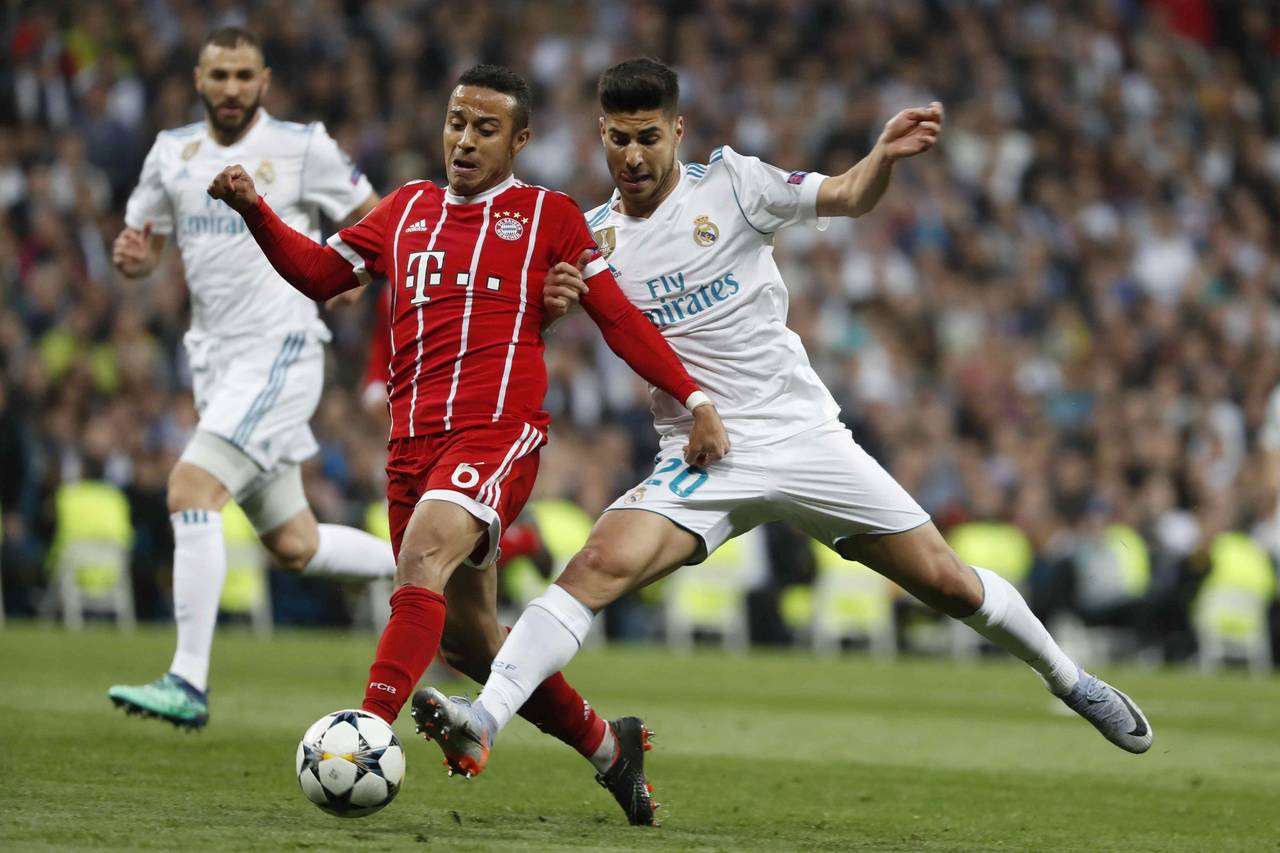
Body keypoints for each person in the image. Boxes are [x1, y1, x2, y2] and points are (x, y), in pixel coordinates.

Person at [416, 57, 1155, 782]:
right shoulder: (590, 237)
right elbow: (531, 327)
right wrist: (550, 308)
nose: (633, 156)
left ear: (678, 130)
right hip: (699, 455)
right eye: (618, 138)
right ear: (600, 135)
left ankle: (1069, 679)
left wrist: (881, 157)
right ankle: (485, 718)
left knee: (948, 583)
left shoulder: (736, 185)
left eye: (648, 137)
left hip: (802, 435)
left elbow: (849, 195)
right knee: (594, 568)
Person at [207, 64, 729, 825]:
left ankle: (366, 730)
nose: (465, 140)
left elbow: (619, 318)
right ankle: (610, 749)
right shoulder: (405, 209)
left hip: (497, 433)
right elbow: (322, 275)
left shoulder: (549, 216)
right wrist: (255, 211)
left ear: (519, 140)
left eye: (486, 129)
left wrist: (695, 398)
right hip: (410, 447)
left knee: (422, 557)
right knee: (473, 645)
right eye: (457, 123)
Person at [107, 27, 397, 730]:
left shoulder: (302, 146)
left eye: (244, 76)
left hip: (281, 350)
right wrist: (136, 260)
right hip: (216, 364)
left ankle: (188, 679)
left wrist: (350, 269)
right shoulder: (171, 153)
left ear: (264, 81)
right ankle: (428, 564)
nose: (232, 88)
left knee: (191, 487)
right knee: (295, 544)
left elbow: (382, 220)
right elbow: (146, 245)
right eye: (220, 76)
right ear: (199, 80)